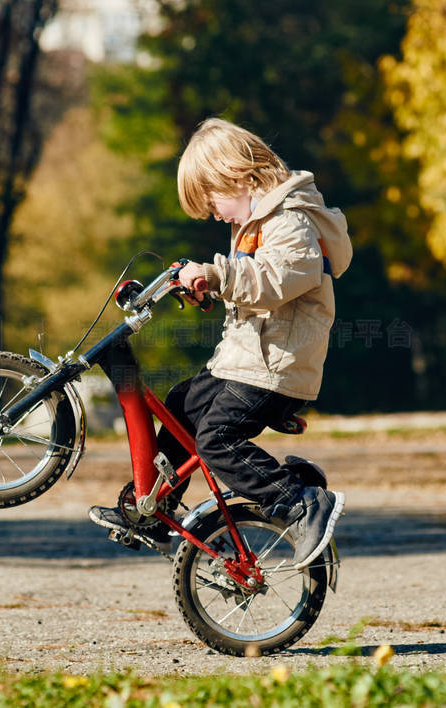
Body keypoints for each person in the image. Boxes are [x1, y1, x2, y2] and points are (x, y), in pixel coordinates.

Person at [89, 117, 351, 569]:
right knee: (179, 407)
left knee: (216, 440)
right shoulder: (255, 223)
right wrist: (207, 287)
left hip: (275, 370)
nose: (213, 214)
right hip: (245, 362)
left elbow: (274, 279)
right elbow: (250, 287)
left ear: (240, 178)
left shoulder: (292, 220)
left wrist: (215, 274)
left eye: (211, 201)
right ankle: (154, 506)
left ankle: (299, 503)